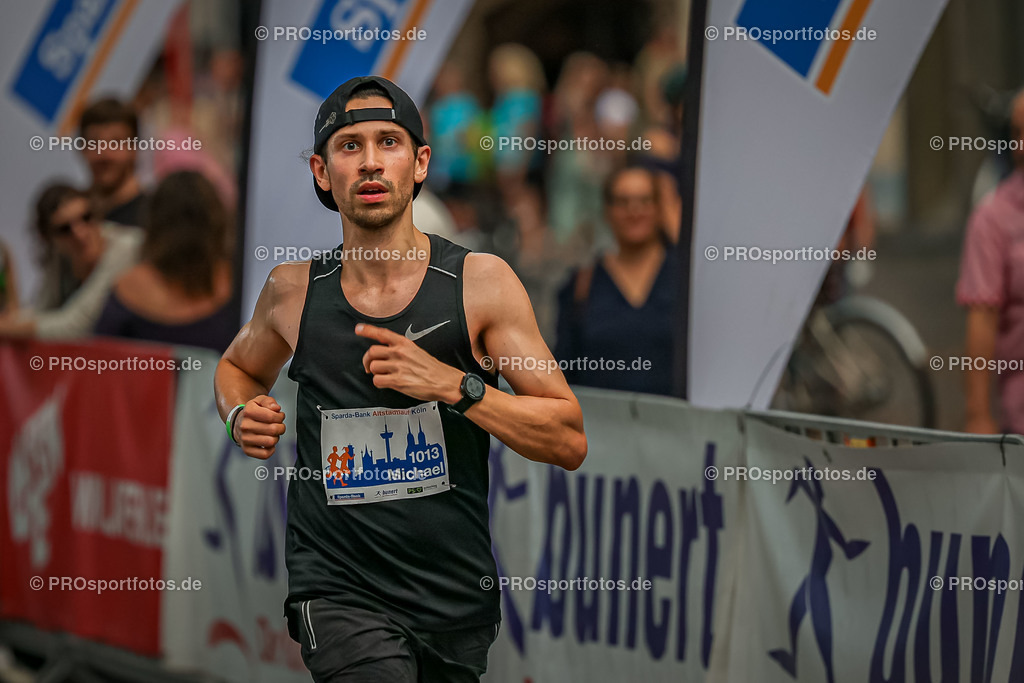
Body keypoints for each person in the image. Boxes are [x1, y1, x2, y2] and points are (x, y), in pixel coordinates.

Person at [213, 76, 586, 682]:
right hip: (336, 590)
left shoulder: (481, 285)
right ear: (320, 170)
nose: (369, 161)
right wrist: (238, 413)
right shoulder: (292, 291)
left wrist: (453, 386)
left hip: (452, 600)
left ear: (420, 163)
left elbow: (567, 437)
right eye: (348, 145)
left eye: (388, 141)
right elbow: (236, 368)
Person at [554, 165, 677, 395]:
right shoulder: (582, 285)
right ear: (607, 211)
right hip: (602, 424)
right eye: (623, 201)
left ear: (659, 208)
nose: (634, 210)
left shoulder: (683, 280)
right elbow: (564, 369)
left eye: (644, 200)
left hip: (678, 423)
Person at [94, 171, 236, 352]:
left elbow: (99, 362)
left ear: (154, 221)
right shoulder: (235, 286)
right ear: (216, 221)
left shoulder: (128, 287)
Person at [957, 90, 1024, 434]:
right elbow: (981, 319)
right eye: (1016, 133)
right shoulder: (993, 218)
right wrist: (977, 416)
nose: (1020, 146)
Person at [0, 184, 141, 339]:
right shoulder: (60, 256)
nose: (80, 234)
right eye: (65, 229)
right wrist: (11, 321)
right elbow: (42, 309)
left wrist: (9, 327)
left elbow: (77, 325)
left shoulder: (127, 247)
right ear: (49, 239)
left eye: (86, 217)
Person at [79, 98, 148, 227]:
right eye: (95, 143)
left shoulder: (154, 216)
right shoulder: (72, 223)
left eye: (115, 143)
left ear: (134, 149)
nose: (105, 154)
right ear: (82, 150)